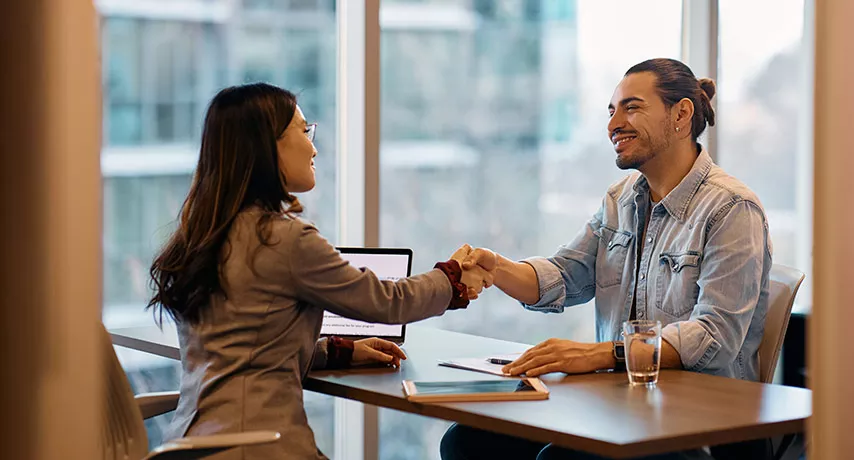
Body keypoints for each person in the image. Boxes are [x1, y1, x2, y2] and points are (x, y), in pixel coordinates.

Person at [440, 58, 774, 460]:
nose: (614, 123)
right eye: (611, 111)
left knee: (561, 459)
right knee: (467, 441)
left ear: (681, 114)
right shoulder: (620, 199)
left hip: (704, 429)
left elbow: (715, 339)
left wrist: (598, 355)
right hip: (624, 410)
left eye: (631, 107)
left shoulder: (732, 208)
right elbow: (565, 275)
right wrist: (497, 267)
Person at [147, 82, 492, 460]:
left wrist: (338, 352)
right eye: (303, 129)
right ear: (268, 145)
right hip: (256, 449)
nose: (313, 146)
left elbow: (243, 349)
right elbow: (388, 302)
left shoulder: (202, 236)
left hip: (189, 444)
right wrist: (453, 277)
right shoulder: (281, 239)